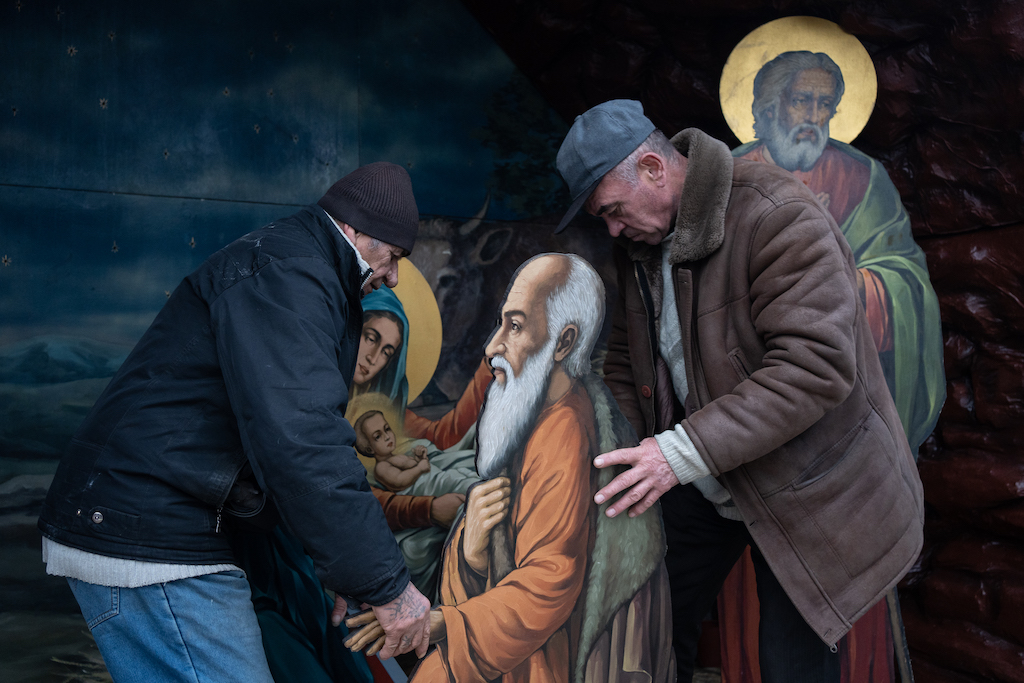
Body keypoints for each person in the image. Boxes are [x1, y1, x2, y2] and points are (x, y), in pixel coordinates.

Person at [553, 100, 924, 683]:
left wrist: (673, 454)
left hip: (810, 485)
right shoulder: (639, 245)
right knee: (642, 620)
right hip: (708, 471)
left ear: (653, 168)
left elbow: (815, 367)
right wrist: (616, 450)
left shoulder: (778, 214)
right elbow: (627, 361)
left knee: (790, 666)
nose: (613, 230)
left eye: (613, 211)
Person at [37, 161, 433, 683]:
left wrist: (344, 569)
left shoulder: (295, 264)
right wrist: (387, 586)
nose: (394, 276)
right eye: (393, 256)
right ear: (357, 231)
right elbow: (303, 442)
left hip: (157, 524)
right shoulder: (292, 273)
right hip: (153, 536)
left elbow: (278, 444)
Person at [355, 253, 674, 683]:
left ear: (563, 343)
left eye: (516, 326)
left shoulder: (563, 430)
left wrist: (443, 622)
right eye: (502, 323)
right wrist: (470, 554)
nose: (492, 346)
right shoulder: (531, 414)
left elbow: (549, 583)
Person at [734, 50, 944, 452]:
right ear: (770, 105)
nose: (814, 116)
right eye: (801, 101)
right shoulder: (730, 174)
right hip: (753, 370)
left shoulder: (863, 177)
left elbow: (903, 278)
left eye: (825, 104)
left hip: (847, 372)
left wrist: (843, 279)